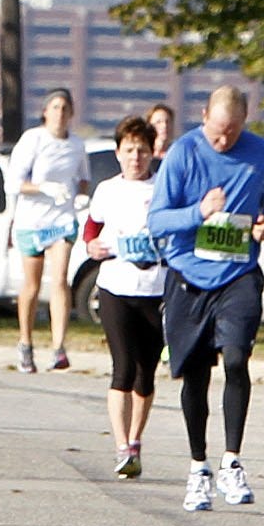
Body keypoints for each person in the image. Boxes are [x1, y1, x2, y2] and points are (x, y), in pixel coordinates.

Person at [145, 83, 264, 510]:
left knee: (236, 358)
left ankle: (231, 460)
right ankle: (197, 466)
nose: (223, 140)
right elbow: (157, 221)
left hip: (239, 272)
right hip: (189, 275)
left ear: (244, 123)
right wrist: (199, 212)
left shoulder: (262, 152)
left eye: (232, 132)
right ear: (203, 115)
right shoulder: (183, 154)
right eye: (218, 131)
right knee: (195, 375)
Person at [82, 111, 169, 478]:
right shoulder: (108, 189)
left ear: (152, 153)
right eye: (130, 150)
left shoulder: (164, 188)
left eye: (143, 151)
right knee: (123, 367)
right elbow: (91, 227)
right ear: (118, 152)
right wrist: (91, 246)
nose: (136, 157)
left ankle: (136, 440)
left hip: (155, 289)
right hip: (116, 287)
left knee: (146, 374)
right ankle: (121, 446)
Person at [6, 88, 91, 372]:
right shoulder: (33, 140)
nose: (60, 113)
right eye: (55, 107)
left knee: (61, 279)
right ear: (45, 112)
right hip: (32, 220)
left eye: (65, 108)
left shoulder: (77, 145)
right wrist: (42, 188)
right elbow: (14, 182)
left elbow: (82, 179)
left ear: (72, 114)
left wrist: (79, 195)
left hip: (62, 219)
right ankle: (25, 342)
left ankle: (58, 346)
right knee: (32, 283)